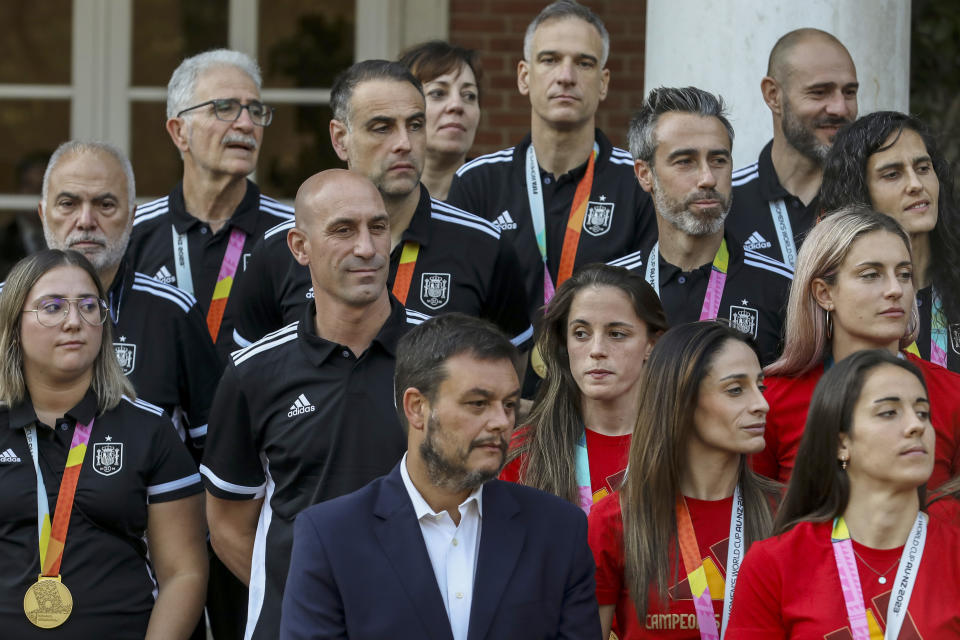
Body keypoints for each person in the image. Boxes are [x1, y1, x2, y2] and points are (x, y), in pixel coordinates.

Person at [280, 313, 601, 640]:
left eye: (509, 404)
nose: (501, 422)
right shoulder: (331, 537)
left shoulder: (559, 530)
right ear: (417, 407)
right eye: (478, 403)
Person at [200, 170, 423, 640]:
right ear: (300, 248)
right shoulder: (253, 373)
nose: (366, 247)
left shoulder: (445, 356)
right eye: (343, 230)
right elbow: (226, 526)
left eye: (377, 228)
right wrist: (313, 599)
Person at [231, 59, 531, 351]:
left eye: (415, 125)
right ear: (340, 138)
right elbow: (252, 381)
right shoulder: (280, 250)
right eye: (382, 127)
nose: (404, 143)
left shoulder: (484, 246)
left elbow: (512, 374)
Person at [0, 249, 206, 639]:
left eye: (89, 306)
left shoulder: (150, 428)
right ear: (14, 323)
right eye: (53, 307)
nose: (74, 322)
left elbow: (184, 572)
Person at [447, 0, 657, 321]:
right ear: (524, 77)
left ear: (603, 83)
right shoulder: (477, 182)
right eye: (550, 60)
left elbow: (648, 310)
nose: (566, 76)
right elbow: (459, 311)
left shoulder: (639, 183)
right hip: (503, 370)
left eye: (584, 63)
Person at [728, 349, 960, 638]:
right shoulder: (774, 564)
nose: (916, 425)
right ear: (841, 444)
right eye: (889, 412)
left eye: (923, 413)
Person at [588, 321, 779, 639]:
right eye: (736, 390)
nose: (762, 404)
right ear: (682, 400)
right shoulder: (614, 520)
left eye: (761, 387)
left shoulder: (786, 512)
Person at [34, 140, 220, 454]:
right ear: (43, 213)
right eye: (68, 204)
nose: (85, 221)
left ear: (132, 216)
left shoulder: (174, 313)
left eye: (105, 205)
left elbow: (215, 450)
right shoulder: (5, 309)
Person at [756, 205, 960, 490]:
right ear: (824, 293)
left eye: (903, 274)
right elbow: (753, 520)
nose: (895, 289)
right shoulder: (770, 401)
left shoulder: (952, 395)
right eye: (871, 274)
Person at [126, 49, 294, 361]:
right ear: (180, 133)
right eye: (225, 108)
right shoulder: (133, 234)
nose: (246, 124)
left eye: (255, 111)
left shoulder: (295, 234)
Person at [615, 86, 792, 366]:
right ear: (645, 174)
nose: (708, 178)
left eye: (718, 160)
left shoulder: (784, 289)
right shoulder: (610, 287)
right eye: (685, 161)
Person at [500, 264, 668, 510]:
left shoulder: (687, 444)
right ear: (564, 342)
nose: (596, 349)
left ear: (652, 343)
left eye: (617, 334)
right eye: (580, 333)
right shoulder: (524, 450)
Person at [820, 111, 960, 374]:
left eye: (923, 168)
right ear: (858, 190)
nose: (916, 184)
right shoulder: (838, 293)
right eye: (892, 174)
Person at [727, 28, 858, 269]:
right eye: (819, 92)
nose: (840, 108)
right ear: (773, 95)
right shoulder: (724, 203)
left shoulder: (870, 198)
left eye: (849, 92)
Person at [399, 40, 482, 201]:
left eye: (469, 95)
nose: (457, 105)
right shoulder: (374, 203)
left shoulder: (501, 198)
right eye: (438, 93)